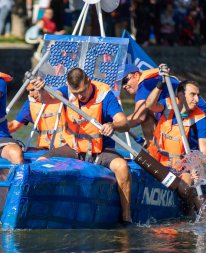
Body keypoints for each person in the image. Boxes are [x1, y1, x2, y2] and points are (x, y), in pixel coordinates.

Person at [30, 68, 132, 224]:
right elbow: (47, 97)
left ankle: (126, 216)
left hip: (101, 150)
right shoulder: (65, 92)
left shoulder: (105, 96)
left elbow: (124, 123)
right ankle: (38, 206)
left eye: (82, 92)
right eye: (75, 93)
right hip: (74, 148)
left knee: (122, 167)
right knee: (39, 163)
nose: (79, 96)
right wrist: (41, 88)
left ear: (89, 82)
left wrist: (113, 125)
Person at [121, 64, 206, 174]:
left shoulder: (144, 86)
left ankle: (155, 157)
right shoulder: (155, 79)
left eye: (125, 80)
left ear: (135, 75)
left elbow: (138, 117)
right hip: (202, 111)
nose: (124, 86)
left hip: (194, 114)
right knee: (182, 148)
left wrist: (113, 125)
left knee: (147, 117)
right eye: (121, 84)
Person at [146, 80, 206, 182]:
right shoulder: (167, 104)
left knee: (187, 180)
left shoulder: (200, 119)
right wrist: (160, 85)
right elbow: (149, 105)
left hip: (183, 166)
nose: (197, 100)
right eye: (192, 95)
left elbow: (204, 150)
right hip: (158, 159)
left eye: (198, 95)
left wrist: (197, 168)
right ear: (180, 95)